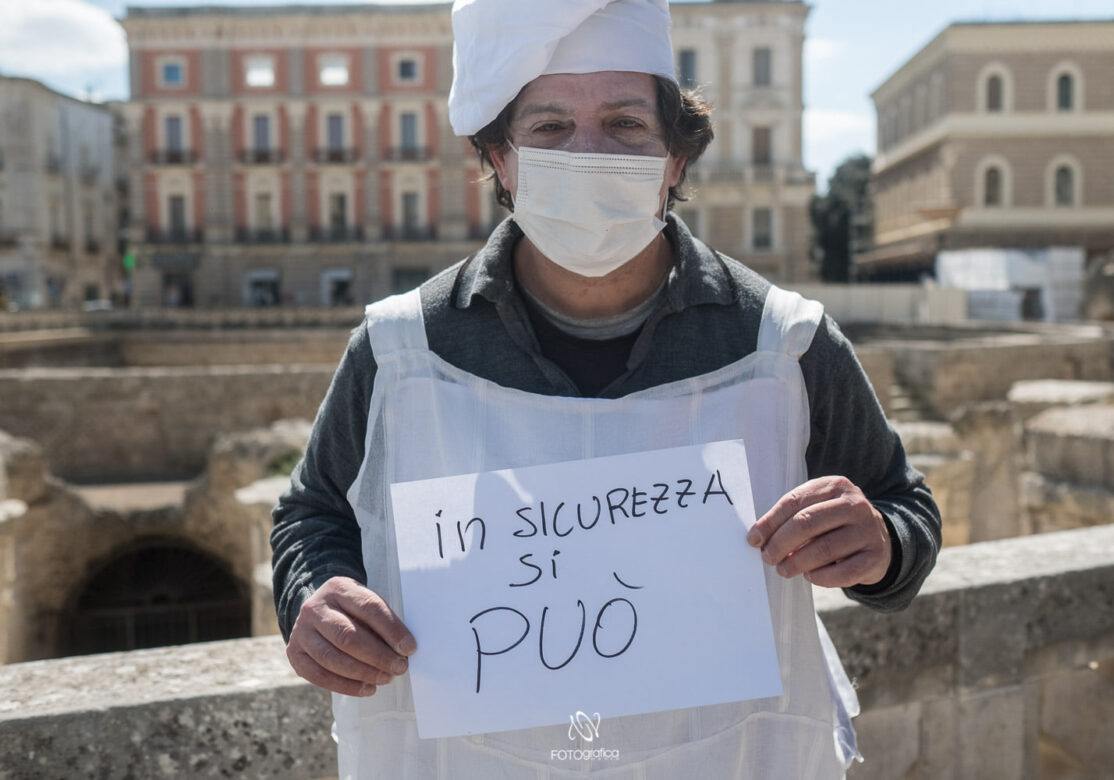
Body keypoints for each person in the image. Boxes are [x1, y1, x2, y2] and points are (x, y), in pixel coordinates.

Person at [270, 1, 941, 777]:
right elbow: (312, 513)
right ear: (501, 159)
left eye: (625, 126)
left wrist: (881, 545)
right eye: (551, 129)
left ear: (675, 160)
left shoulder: (784, 343)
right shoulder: (400, 348)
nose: (588, 154)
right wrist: (312, 595)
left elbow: (902, 511)